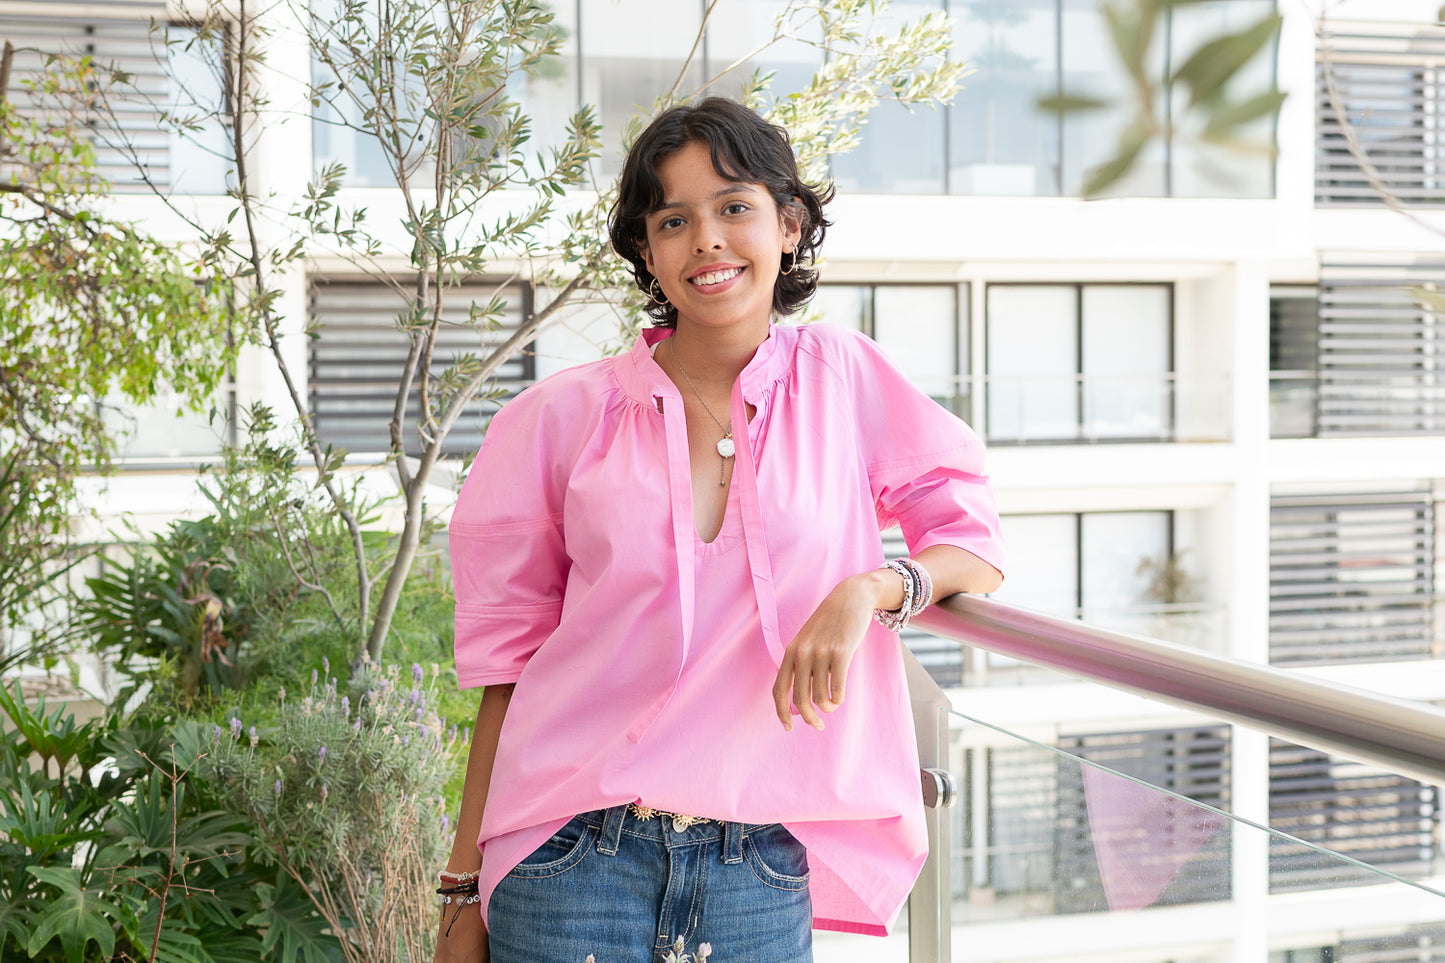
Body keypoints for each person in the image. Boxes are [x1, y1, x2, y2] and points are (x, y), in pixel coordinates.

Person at [436, 97, 1004, 963]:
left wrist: (870, 590)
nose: (706, 239)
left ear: (787, 224)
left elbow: (973, 544)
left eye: (732, 207)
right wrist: (459, 888)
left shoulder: (843, 381)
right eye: (673, 219)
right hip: (568, 858)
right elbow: (506, 674)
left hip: (757, 865)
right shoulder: (556, 418)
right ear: (647, 251)